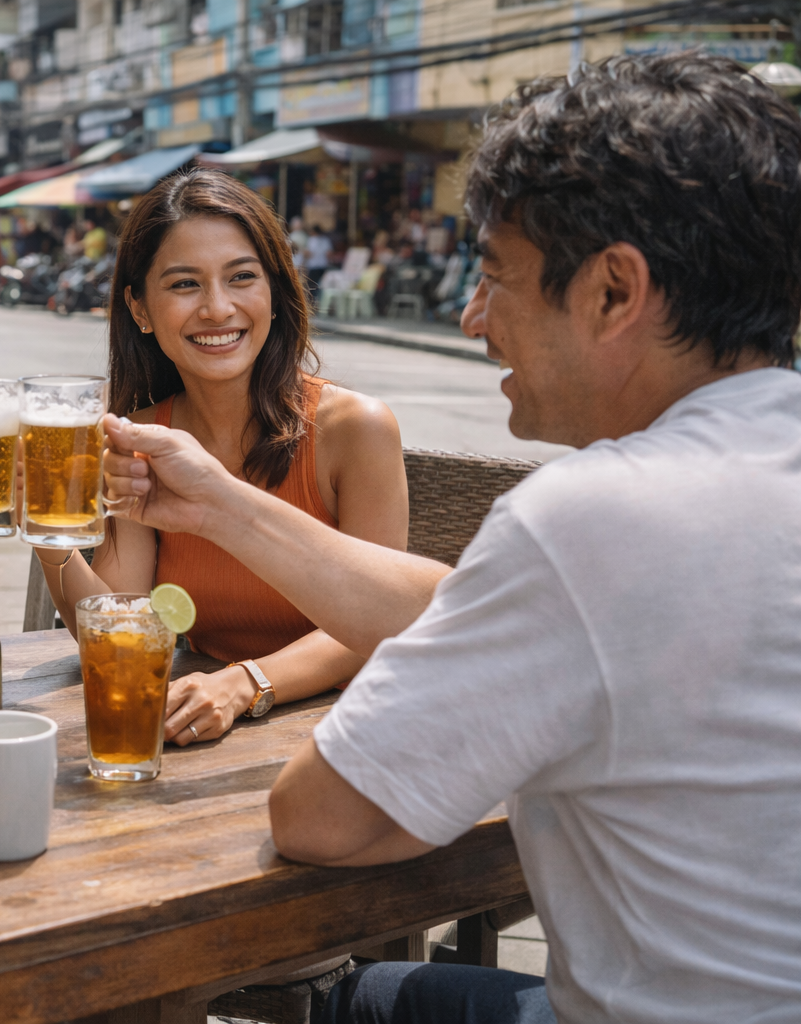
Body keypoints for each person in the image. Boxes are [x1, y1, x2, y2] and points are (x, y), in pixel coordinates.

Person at [99, 52, 801, 1024]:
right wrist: (218, 504)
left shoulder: (590, 520)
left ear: (612, 291)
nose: (474, 318)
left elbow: (316, 819)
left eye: (494, 275)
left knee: (352, 1000)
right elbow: (509, 613)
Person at [38, 167, 406, 748]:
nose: (217, 308)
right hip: (202, 731)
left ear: (275, 292)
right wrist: (46, 528)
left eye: (241, 278)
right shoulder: (140, 436)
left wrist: (245, 684)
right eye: (185, 284)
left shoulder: (354, 428)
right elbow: (120, 627)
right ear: (140, 308)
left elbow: (381, 619)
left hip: (346, 734)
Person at [303, 224, 332, 304]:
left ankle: (313, 303)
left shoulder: (310, 240)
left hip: (313, 266)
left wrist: (304, 262)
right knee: (322, 285)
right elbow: (329, 254)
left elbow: (307, 253)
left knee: (312, 286)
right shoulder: (325, 240)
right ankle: (321, 302)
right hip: (323, 265)